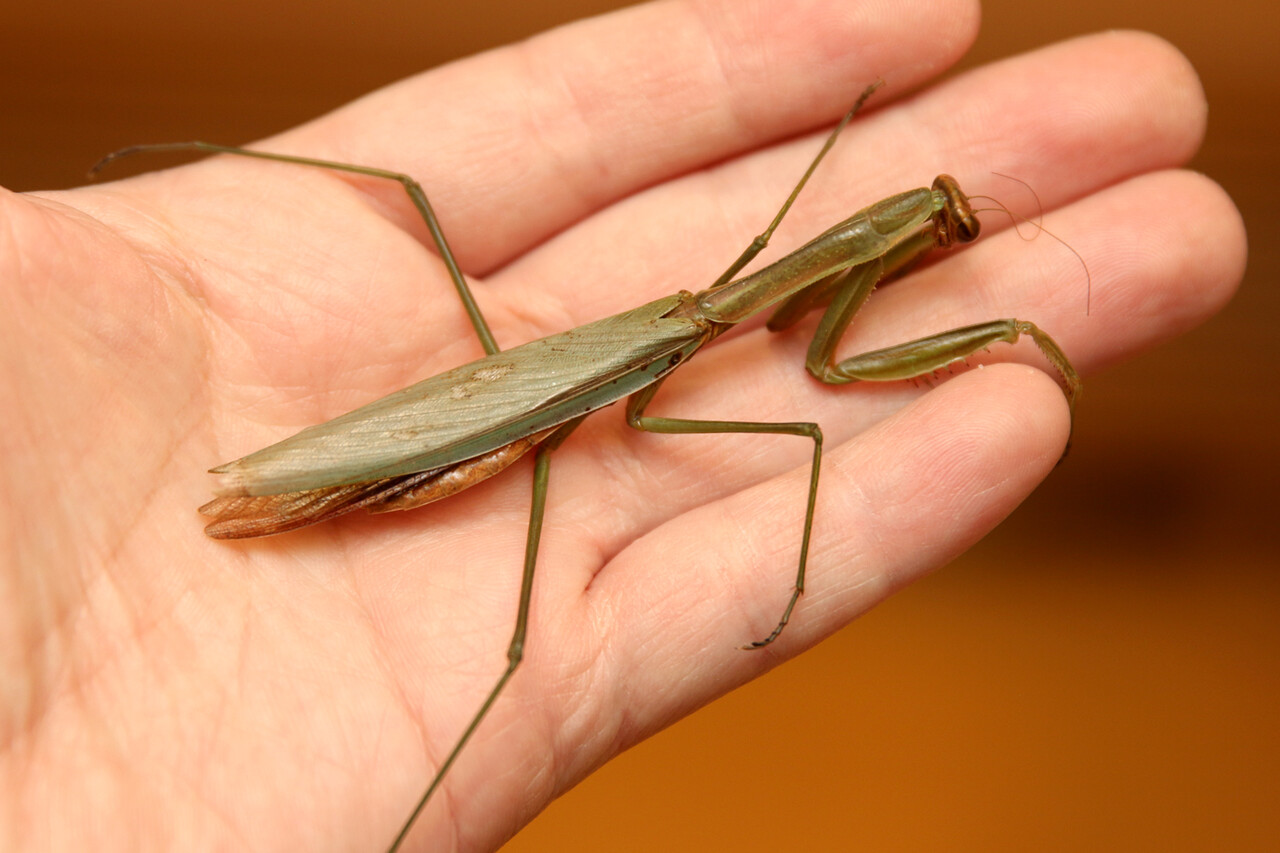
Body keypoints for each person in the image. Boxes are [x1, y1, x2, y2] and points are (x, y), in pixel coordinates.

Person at [0, 0, 1245, 849]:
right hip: (516, 415)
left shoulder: (740, 284)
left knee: (426, 208)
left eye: (941, 230)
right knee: (534, 636)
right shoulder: (742, 310)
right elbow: (822, 365)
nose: (938, 239)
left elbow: (789, 290)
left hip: (573, 374)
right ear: (887, 244)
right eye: (935, 228)